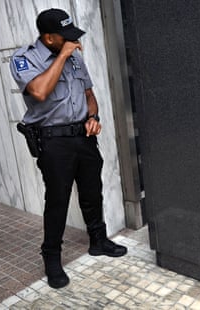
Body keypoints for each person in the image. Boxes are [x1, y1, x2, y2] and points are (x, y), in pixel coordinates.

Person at [9, 8, 127, 289]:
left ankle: (98, 240)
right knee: (58, 200)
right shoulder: (25, 58)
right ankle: (52, 258)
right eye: (65, 37)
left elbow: (89, 95)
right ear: (49, 38)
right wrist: (62, 56)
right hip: (53, 141)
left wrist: (93, 118)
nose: (73, 42)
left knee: (91, 191)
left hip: (82, 137)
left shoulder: (75, 57)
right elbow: (38, 91)